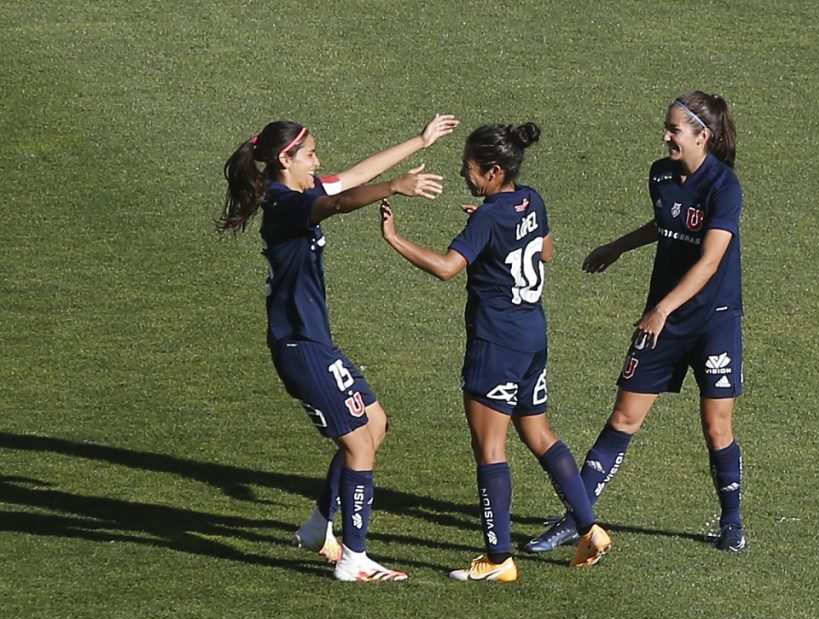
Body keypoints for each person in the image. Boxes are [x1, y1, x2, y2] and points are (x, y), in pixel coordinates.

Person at [217, 114, 460, 580]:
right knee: (358, 446)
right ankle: (354, 559)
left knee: (375, 423)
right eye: (310, 155)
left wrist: (419, 140)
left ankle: (316, 527)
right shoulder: (286, 205)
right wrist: (394, 187)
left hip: (316, 342)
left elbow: (350, 179)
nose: (318, 161)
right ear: (285, 159)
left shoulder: (299, 188)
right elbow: (342, 202)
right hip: (300, 346)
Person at [378, 122, 611, 582]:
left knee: (490, 448)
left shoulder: (487, 217)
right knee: (541, 435)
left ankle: (498, 558)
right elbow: (544, 251)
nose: (465, 174)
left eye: (470, 169)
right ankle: (590, 528)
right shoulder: (532, 200)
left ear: (493, 170)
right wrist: (494, 229)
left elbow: (447, 269)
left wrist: (394, 237)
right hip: (532, 338)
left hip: (495, 343)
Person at [525, 90, 748, 554]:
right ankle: (577, 518)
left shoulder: (724, 187)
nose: (666, 136)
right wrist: (618, 246)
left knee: (716, 427)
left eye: (674, 129)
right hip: (661, 319)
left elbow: (709, 261)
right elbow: (666, 222)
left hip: (711, 321)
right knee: (624, 416)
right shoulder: (662, 173)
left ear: (701, 136)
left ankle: (731, 522)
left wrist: (663, 309)